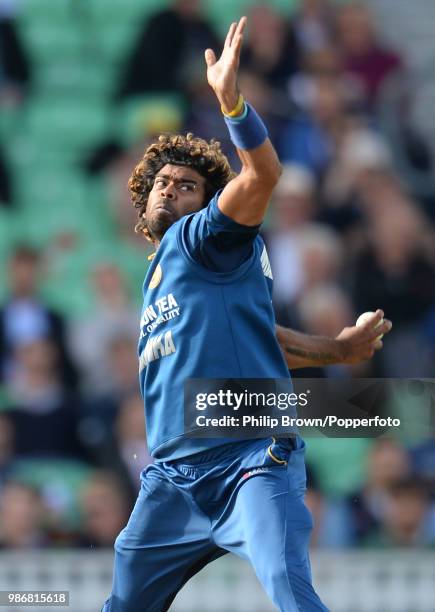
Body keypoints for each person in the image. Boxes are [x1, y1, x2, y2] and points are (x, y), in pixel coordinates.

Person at [102, 17, 391, 612]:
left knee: (290, 594)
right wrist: (336, 351)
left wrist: (231, 102)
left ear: (209, 204)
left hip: (248, 464)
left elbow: (264, 174)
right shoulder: (168, 272)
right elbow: (258, 338)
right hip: (174, 481)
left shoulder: (203, 238)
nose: (170, 190)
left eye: (186, 185)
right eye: (162, 181)